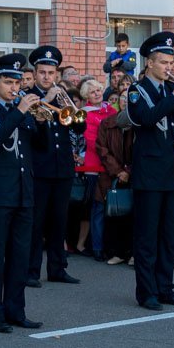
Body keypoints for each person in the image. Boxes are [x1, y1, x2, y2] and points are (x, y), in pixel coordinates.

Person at [0, 53, 44, 332]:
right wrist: (20, 112)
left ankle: (16, 310)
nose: (15, 87)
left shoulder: (22, 111)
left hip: (24, 193)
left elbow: (41, 147)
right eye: (8, 82)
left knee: (20, 256)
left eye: (18, 81)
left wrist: (43, 121)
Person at [126, 31, 174, 311]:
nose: (170, 67)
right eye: (164, 62)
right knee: (147, 237)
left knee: (168, 236)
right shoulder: (136, 91)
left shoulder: (171, 92)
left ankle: (166, 287)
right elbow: (146, 119)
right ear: (150, 63)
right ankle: (147, 292)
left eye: (171, 62)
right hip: (150, 175)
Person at [25, 45, 79, 287]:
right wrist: (46, 102)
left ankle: (58, 268)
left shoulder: (62, 95)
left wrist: (68, 105)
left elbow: (79, 126)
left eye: (51, 72)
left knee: (60, 221)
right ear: (35, 74)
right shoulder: (28, 98)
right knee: (36, 223)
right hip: (39, 169)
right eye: (43, 72)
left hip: (63, 168)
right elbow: (29, 131)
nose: (47, 77)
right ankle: (31, 270)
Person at [74, 77, 112, 261]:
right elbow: (90, 140)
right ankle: (95, 246)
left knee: (109, 207)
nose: (97, 93)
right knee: (95, 206)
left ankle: (106, 245)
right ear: (86, 95)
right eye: (92, 91)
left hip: (112, 164)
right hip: (94, 164)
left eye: (98, 90)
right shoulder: (85, 113)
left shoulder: (110, 110)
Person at [95, 99, 134, 265]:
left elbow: (143, 149)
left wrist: (129, 171)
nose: (126, 102)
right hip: (112, 175)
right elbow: (102, 149)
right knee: (115, 213)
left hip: (136, 175)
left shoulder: (140, 124)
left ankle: (133, 253)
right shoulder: (107, 123)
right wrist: (118, 171)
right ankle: (116, 252)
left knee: (136, 215)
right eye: (123, 99)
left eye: (130, 99)